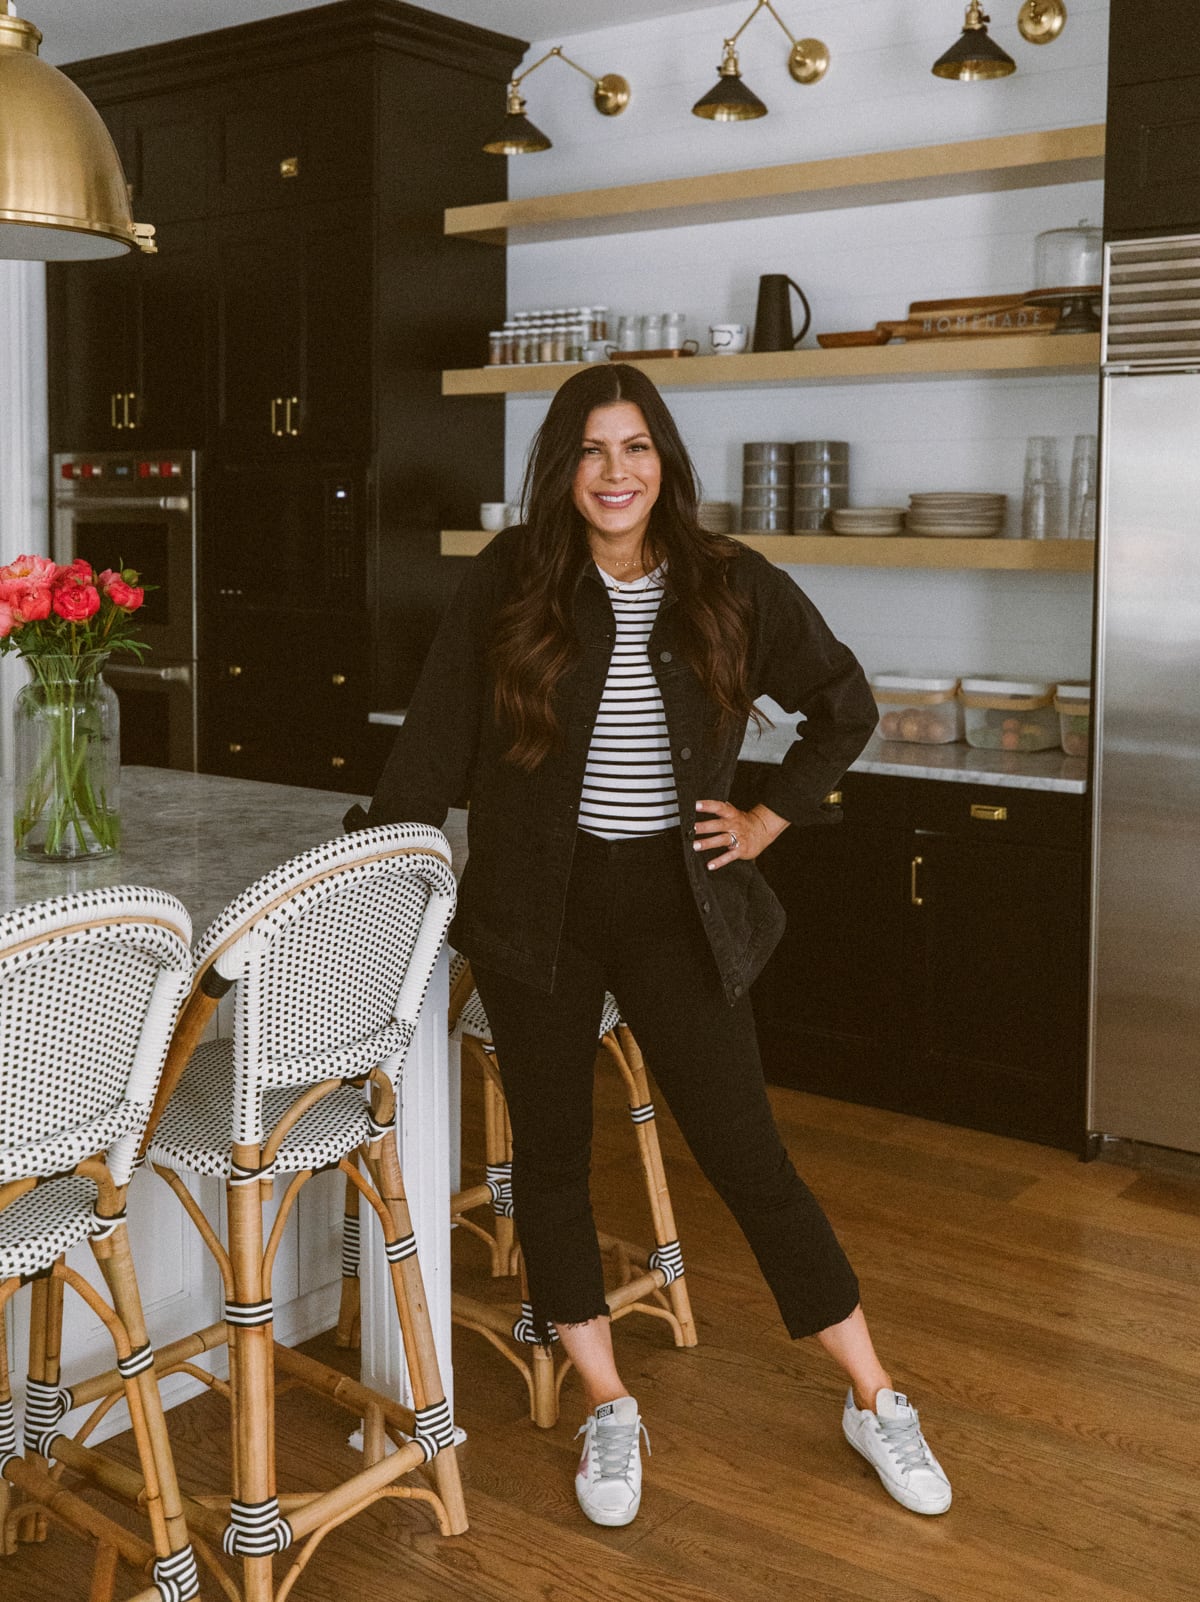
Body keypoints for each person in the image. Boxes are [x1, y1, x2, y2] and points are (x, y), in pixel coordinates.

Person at [352, 363, 952, 1527]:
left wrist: (769, 815)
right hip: (540, 910)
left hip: (680, 907)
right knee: (555, 1161)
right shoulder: (512, 581)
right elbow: (429, 749)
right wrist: (373, 870)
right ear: (561, 468)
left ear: (663, 460)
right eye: (589, 450)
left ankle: (875, 1396)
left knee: (748, 1157)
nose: (615, 472)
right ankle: (608, 1405)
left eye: (634, 448)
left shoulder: (730, 586)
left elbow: (844, 704)